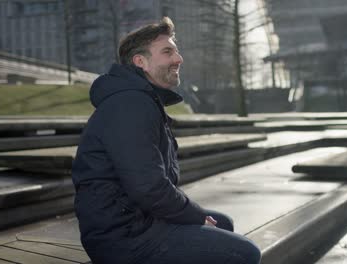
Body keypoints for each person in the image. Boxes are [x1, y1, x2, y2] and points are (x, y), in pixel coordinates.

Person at [71, 17, 261, 264]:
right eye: (168, 52)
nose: (179, 59)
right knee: (245, 253)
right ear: (141, 62)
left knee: (222, 224)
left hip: (137, 219)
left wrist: (195, 215)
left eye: (176, 51)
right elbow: (148, 186)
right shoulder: (130, 105)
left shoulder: (142, 101)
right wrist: (195, 215)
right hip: (123, 237)